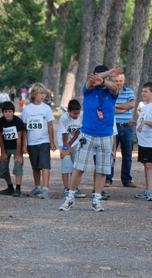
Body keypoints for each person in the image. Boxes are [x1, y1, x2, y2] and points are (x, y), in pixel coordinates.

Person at [59, 65, 122, 212]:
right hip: (87, 135)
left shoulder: (111, 91)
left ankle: (96, 200)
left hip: (106, 136)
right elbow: (89, 84)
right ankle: (70, 197)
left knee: (102, 170)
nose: (99, 80)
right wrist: (102, 76)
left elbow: (114, 88)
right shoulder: (88, 91)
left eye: (104, 77)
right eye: (98, 76)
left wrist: (104, 79)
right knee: (79, 168)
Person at [21, 82, 55, 199]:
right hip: (32, 142)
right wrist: (24, 144)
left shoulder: (46, 108)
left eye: (44, 93)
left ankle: (45, 188)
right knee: (35, 166)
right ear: (34, 94)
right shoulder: (27, 110)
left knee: (45, 164)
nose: (43, 96)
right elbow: (24, 128)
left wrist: (52, 141)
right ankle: (37, 187)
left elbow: (50, 125)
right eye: (40, 93)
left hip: (44, 141)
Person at [133, 82, 152, 202]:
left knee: (149, 165)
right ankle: (147, 189)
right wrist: (135, 123)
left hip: (150, 141)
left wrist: (144, 123)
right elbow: (143, 121)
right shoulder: (145, 106)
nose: (143, 93)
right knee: (146, 165)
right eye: (142, 91)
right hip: (143, 141)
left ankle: (150, 192)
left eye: (146, 91)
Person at [106, 73, 136, 188]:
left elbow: (132, 104)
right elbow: (109, 109)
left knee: (127, 154)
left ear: (124, 81)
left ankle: (126, 179)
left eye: (120, 81)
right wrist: (124, 107)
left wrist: (116, 107)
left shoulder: (129, 92)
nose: (118, 83)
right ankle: (108, 179)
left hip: (127, 127)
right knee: (111, 153)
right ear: (113, 81)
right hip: (113, 126)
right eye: (116, 81)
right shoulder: (109, 92)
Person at [0, 101, 25, 197]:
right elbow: (0, 138)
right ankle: (10, 187)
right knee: (3, 168)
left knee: (18, 164)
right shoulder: (1, 121)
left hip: (16, 147)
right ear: (2, 112)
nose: (8, 114)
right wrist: (3, 152)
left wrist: (18, 155)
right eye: (5, 112)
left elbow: (19, 139)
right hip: (6, 147)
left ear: (13, 112)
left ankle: (18, 188)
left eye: (9, 111)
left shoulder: (18, 121)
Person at [58, 99, 84, 198]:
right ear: (68, 111)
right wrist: (65, 148)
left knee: (76, 165)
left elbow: (78, 131)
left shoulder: (82, 115)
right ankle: (66, 189)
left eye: (78, 113)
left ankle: (75, 188)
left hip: (75, 142)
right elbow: (64, 134)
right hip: (63, 142)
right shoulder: (64, 118)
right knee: (66, 163)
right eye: (74, 113)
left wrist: (70, 144)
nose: (76, 115)